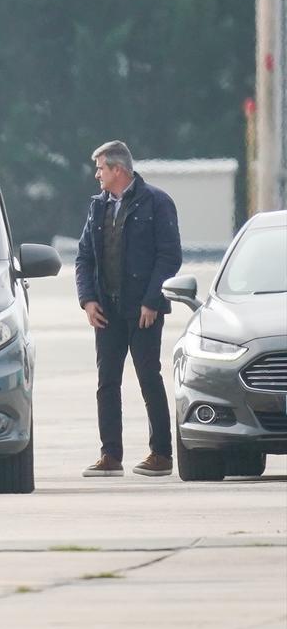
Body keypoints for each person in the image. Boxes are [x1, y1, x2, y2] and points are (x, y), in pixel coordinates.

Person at [75, 141, 182, 477]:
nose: (97, 175)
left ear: (118, 170)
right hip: (107, 309)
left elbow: (169, 256)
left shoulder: (157, 202)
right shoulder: (98, 207)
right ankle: (110, 455)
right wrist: (88, 300)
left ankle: (161, 454)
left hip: (143, 310)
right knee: (107, 382)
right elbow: (84, 257)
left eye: (101, 169)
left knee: (149, 378)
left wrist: (152, 300)